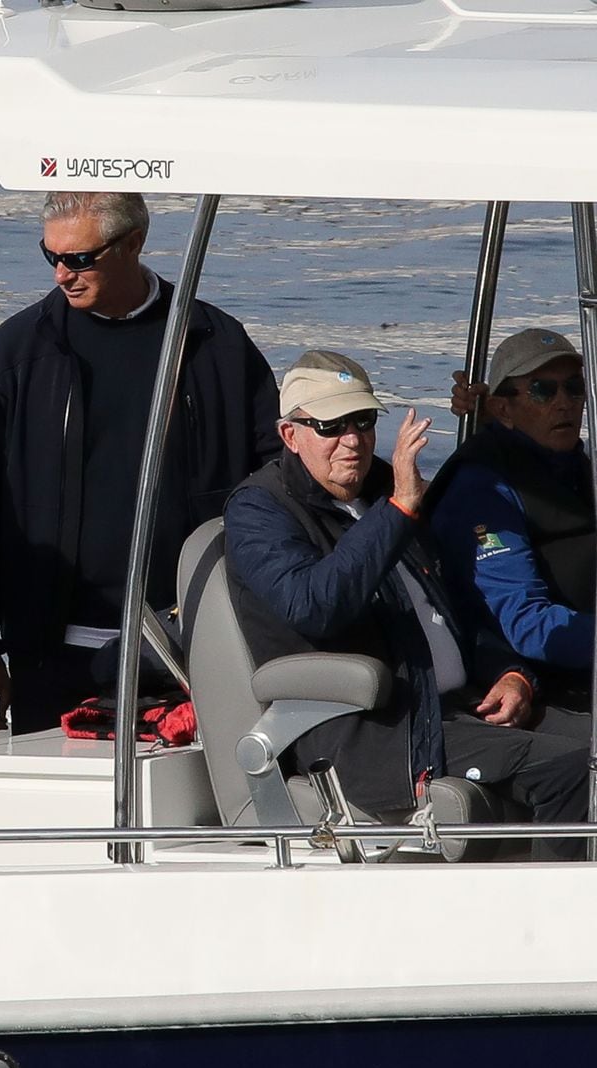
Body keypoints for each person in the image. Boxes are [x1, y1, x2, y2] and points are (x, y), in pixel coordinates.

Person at [225, 349, 588, 860]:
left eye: (363, 420)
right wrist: (397, 510)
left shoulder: (383, 487)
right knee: (574, 768)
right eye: (331, 427)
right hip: (372, 730)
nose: (352, 440)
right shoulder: (260, 509)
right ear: (291, 434)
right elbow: (316, 606)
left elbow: (458, 606)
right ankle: (559, 929)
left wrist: (511, 672)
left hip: (460, 705)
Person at [0, 191, 281, 734]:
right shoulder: (14, 353)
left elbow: (272, 484)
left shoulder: (213, 342)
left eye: (79, 259)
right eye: (50, 256)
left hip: (189, 643)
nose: (61, 274)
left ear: (134, 243)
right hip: (51, 652)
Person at [433, 329, 593, 708]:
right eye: (543, 390)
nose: (564, 403)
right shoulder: (482, 490)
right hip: (544, 679)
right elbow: (525, 621)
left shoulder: (575, 467)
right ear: (503, 408)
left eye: (574, 388)